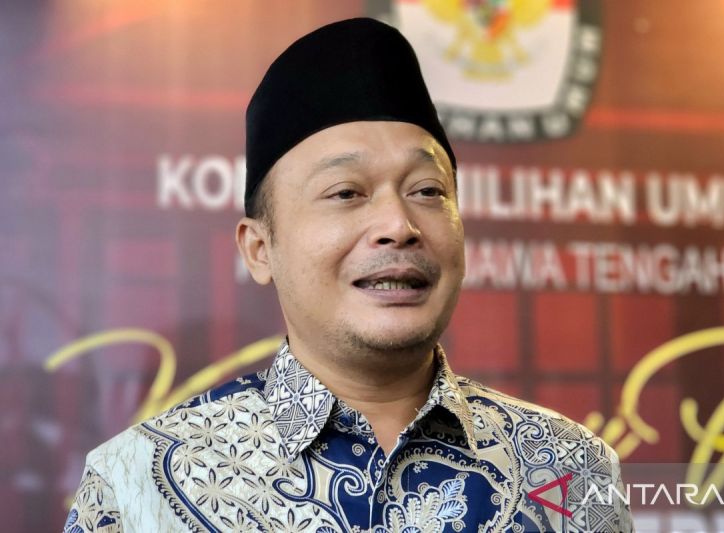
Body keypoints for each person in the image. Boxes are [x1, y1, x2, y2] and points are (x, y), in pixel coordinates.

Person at [64, 17, 633, 533]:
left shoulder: (569, 468)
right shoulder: (136, 486)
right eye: (346, 193)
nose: (398, 225)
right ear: (259, 249)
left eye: (427, 191)